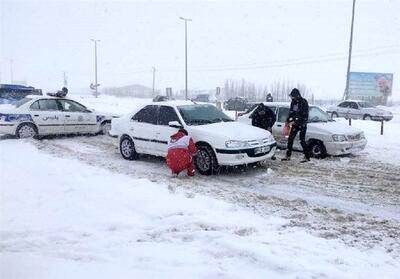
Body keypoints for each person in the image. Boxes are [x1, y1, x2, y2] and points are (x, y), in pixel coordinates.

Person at [282, 88, 311, 162]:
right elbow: (292, 112)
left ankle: (307, 157)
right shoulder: (293, 102)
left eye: (292, 96)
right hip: (295, 124)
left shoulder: (304, 102)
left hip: (302, 124)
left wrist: (297, 120)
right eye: (291, 96)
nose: (291, 98)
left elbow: (304, 114)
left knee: (302, 140)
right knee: (290, 139)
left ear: (297, 95)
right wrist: (288, 120)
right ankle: (288, 156)